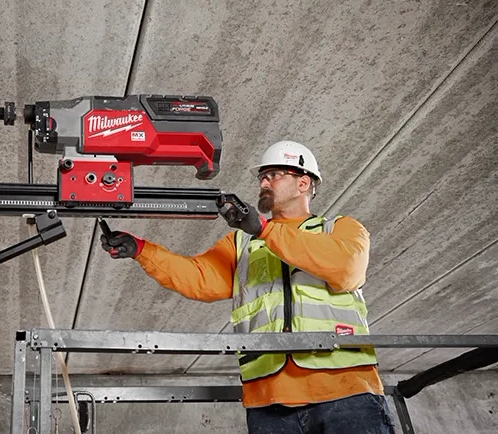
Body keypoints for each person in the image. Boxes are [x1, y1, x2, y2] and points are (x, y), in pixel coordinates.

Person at [100, 141, 396, 434]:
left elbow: (346, 268)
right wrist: (141, 250)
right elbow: (199, 279)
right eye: (262, 177)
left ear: (303, 183)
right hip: (269, 402)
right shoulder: (242, 243)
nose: (263, 182)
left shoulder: (339, 229)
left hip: (346, 392)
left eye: (274, 175)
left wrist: (264, 230)